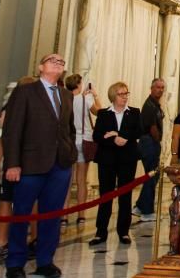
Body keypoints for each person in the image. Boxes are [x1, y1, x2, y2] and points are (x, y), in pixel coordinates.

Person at [1, 54, 77, 278]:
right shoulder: (25, 91)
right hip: (30, 164)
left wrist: (69, 152)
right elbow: (12, 129)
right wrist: (13, 163)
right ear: (41, 67)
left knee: (52, 216)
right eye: (53, 60)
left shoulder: (65, 95)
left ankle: (45, 260)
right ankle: (15, 262)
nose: (58, 63)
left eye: (61, 62)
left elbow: (68, 128)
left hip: (60, 164)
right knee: (22, 213)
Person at [0, 76, 37, 260]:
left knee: (19, 201)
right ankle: (7, 241)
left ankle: (11, 241)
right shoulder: (16, 109)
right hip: (17, 161)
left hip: (25, 161)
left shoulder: (34, 109)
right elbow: (6, 137)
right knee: (11, 200)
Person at [89, 81, 142, 246]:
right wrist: (114, 140)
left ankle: (123, 231)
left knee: (125, 195)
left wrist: (118, 134)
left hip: (128, 159)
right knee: (106, 195)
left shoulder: (134, 112)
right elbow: (97, 136)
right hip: (107, 159)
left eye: (126, 93)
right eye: (121, 94)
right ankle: (101, 232)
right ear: (113, 95)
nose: (125, 97)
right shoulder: (104, 114)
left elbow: (139, 131)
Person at [64, 73, 100, 227]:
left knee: (66, 180)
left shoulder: (64, 99)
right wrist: (95, 95)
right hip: (84, 140)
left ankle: (63, 215)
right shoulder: (85, 99)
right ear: (79, 84)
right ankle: (81, 215)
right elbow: (99, 112)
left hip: (68, 141)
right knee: (81, 180)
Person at [134, 78, 165, 222]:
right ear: (151, 88)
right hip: (149, 142)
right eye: (158, 87)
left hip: (151, 142)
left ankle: (140, 206)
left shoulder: (155, 104)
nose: (160, 90)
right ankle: (146, 211)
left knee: (153, 175)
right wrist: (157, 140)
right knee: (152, 175)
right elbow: (152, 127)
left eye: (162, 87)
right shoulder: (149, 105)